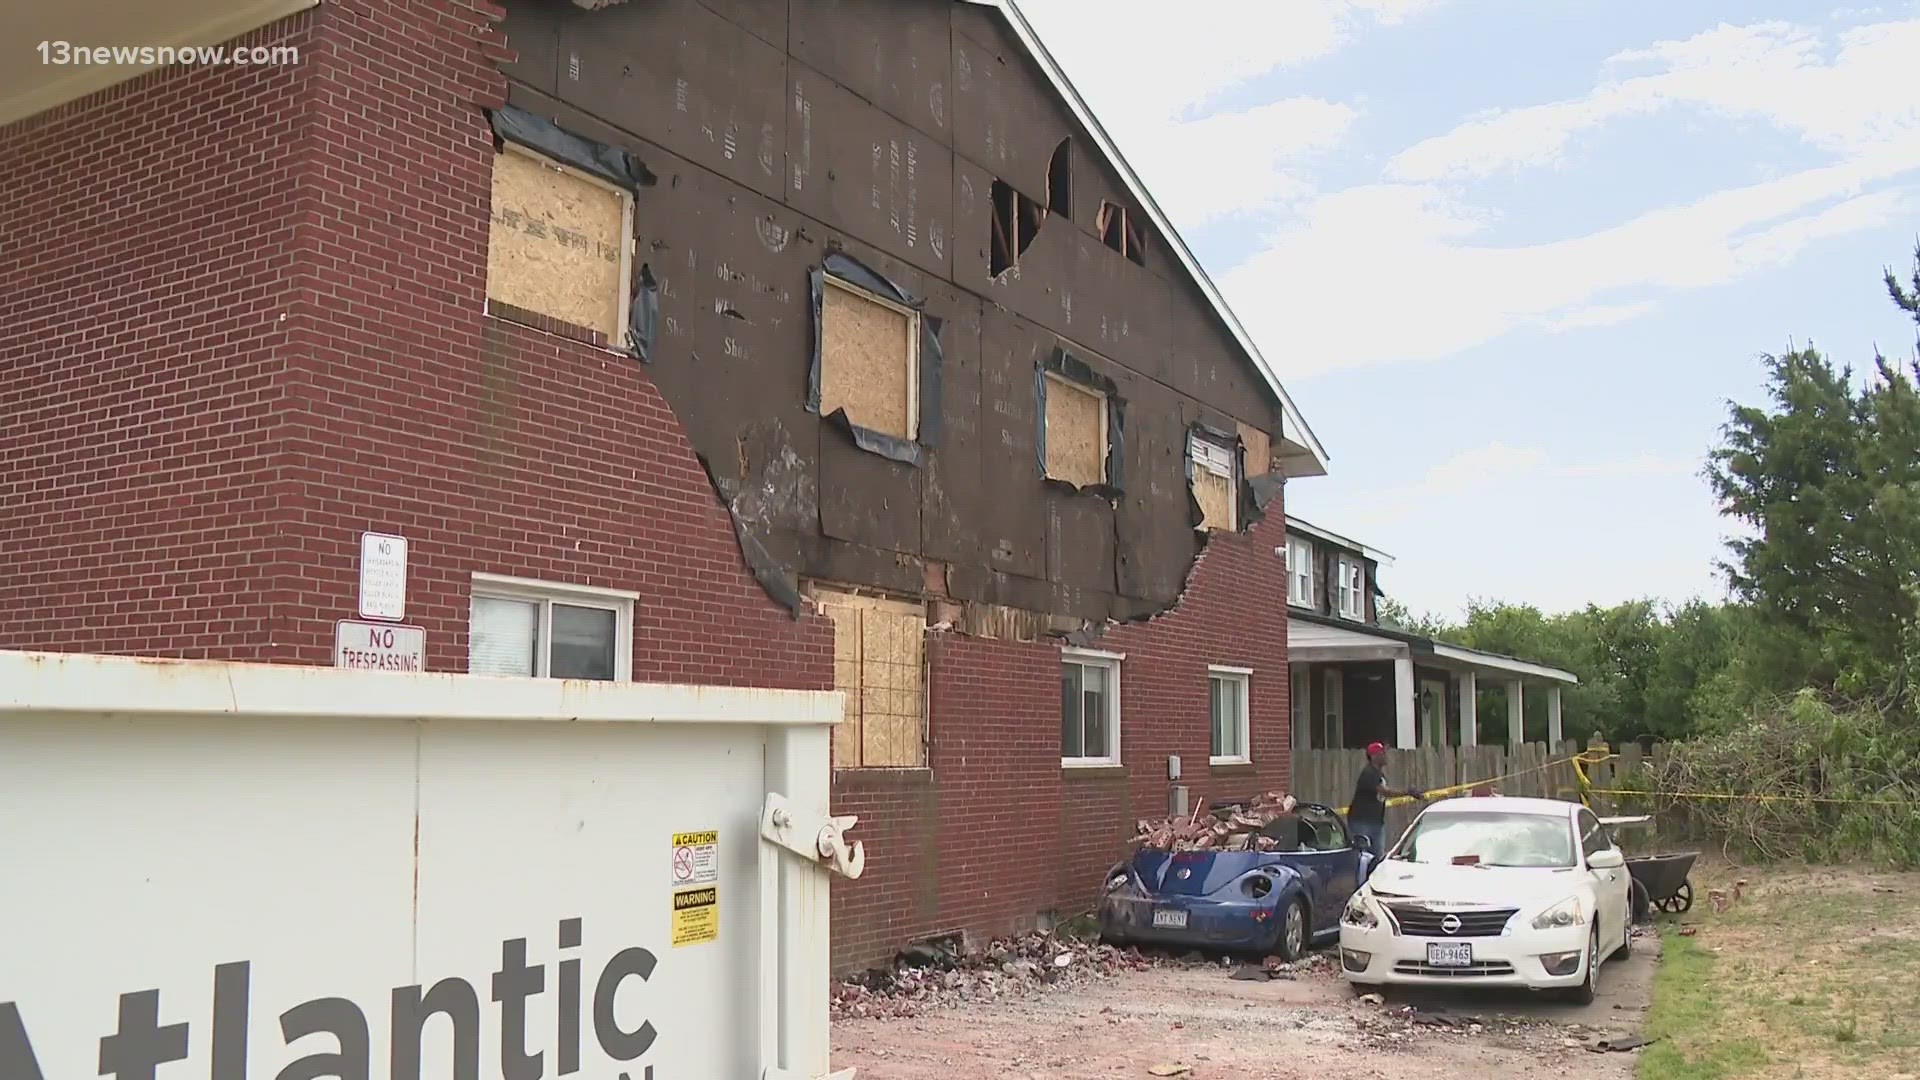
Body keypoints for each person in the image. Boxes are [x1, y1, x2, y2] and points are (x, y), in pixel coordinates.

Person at [1349, 741, 1424, 871]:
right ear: (1373, 756)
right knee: (1363, 858)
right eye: (1381, 753)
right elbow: (1385, 792)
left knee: (1377, 858)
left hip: (1376, 822)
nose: (1385, 755)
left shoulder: (1378, 774)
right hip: (1362, 822)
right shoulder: (1369, 773)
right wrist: (1408, 792)